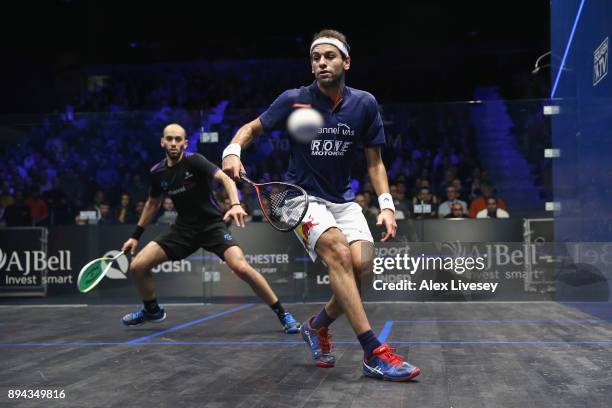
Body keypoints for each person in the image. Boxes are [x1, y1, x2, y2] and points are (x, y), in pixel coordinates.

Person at [222, 29, 419, 381]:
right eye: (315, 58)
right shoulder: (294, 99)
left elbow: (375, 162)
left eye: (329, 56)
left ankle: (316, 326)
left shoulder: (365, 104)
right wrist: (233, 151)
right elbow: (251, 129)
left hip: (342, 201)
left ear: (346, 61)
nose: (321, 63)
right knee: (340, 255)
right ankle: (374, 352)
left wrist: (386, 204)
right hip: (299, 200)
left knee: (361, 267)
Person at [120, 124, 300, 334]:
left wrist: (234, 204)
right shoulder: (158, 173)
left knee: (241, 267)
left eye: (178, 139)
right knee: (138, 266)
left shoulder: (195, 160)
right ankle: (152, 310)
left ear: (185, 143)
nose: (174, 143)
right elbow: (152, 204)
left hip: (212, 226)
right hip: (183, 230)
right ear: (162, 142)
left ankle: (282, 313)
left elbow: (224, 177)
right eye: (169, 139)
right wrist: (135, 236)